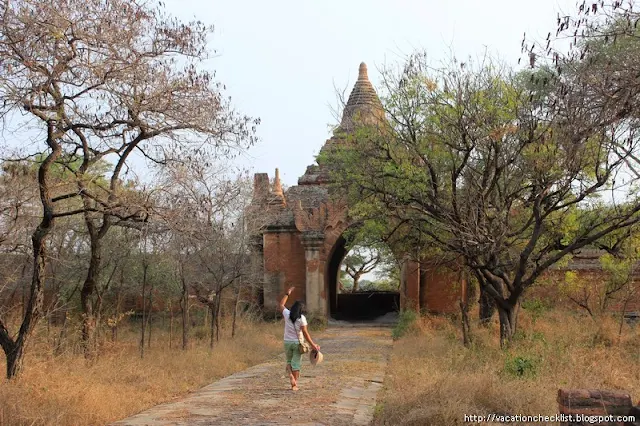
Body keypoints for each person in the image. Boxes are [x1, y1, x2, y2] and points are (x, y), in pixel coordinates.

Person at [279, 286, 320, 391]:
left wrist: (287, 293)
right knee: (296, 364)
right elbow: (305, 334)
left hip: (287, 342)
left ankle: (290, 374)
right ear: (301, 310)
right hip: (298, 343)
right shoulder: (302, 319)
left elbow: (281, 304)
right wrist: (313, 345)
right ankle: (294, 384)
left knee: (289, 361)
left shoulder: (287, 314)